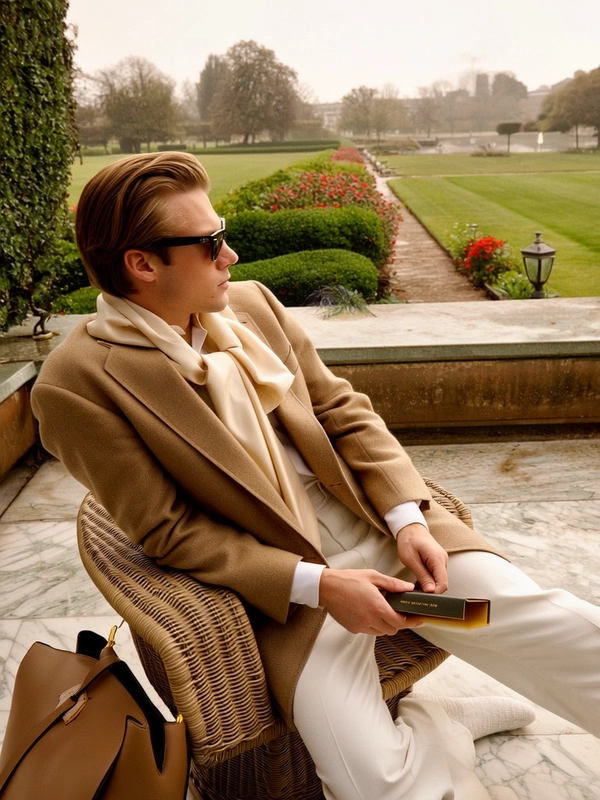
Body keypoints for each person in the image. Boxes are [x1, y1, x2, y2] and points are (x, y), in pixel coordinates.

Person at [31, 152, 600, 800]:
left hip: (385, 537)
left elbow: (341, 410)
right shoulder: (75, 386)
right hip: (293, 596)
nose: (232, 256)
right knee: (373, 785)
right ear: (142, 263)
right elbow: (170, 531)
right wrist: (320, 586)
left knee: (554, 631)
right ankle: (441, 724)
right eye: (211, 242)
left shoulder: (251, 307)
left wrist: (407, 517)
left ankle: (442, 716)